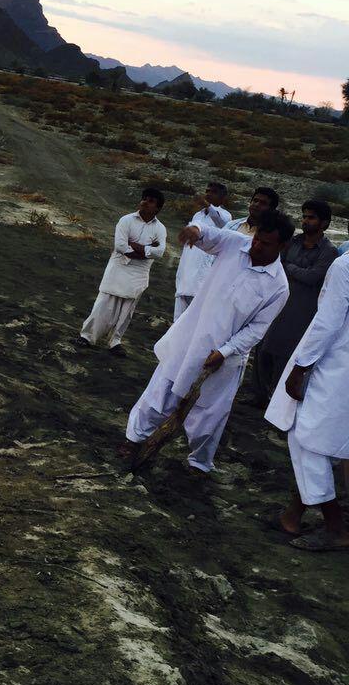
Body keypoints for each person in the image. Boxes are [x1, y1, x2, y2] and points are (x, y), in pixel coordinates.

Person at [122, 210, 292, 473]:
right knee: (160, 393)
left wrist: (225, 352)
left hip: (223, 357)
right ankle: (133, 439)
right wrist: (195, 231)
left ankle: (198, 463)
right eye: (257, 238)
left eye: (266, 243)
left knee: (209, 414)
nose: (256, 245)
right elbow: (209, 235)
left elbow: (257, 330)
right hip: (190, 338)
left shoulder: (278, 286)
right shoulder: (236, 243)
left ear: (282, 246)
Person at [266, 253, 349, 551]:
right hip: (340, 368)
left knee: (306, 440)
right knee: (323, 442)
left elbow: (327, 322)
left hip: (333, 366)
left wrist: (300, 367)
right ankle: (292, 516)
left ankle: (335, 526)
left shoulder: (345, 266)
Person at [252, 200, 338, 403]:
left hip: (300, 311)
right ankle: (259, 396)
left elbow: (313, 277)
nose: (306, 221)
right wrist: (292, 268)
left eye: (311, 218)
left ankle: (278, 401)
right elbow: (275, 262)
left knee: (285, 354)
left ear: (324, 223)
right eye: (304, 216)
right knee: (262, 347)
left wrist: (288, 266)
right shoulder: (292, 242)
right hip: (276, 302)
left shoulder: (329, 251)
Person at [79, 188, 167, 356]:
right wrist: (146, 251)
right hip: (119, 266)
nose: (145, 202)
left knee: (127, 310)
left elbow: (160, 252)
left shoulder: (160, 229)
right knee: (104, 303)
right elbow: (120, 246)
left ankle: (114, 342)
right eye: (144, 199)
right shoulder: (126, 220)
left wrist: (134, 246)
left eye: (150, 201)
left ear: (157, 208)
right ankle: (87, 337)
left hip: (139, 272)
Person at [173, 182, 231, 319]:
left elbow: (222, 223)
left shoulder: (226, 216)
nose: (208, 194)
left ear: (222, 199)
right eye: (207, 191)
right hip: (186, 270)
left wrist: (207, 206)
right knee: (177, 320)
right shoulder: (197, 215)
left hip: (202, 274)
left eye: (213, 192)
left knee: (194, 319)